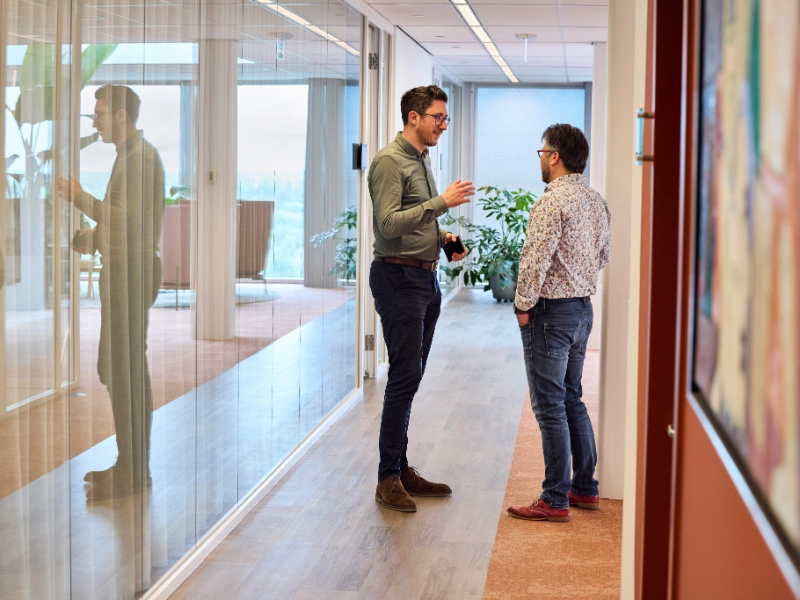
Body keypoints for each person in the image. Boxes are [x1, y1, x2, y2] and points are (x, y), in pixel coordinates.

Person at [368, 85, 474, 512]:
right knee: (404, 377)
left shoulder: (420, 159)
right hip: (397, 280)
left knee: (410, 376)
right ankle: (387, 478)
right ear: (414, 117)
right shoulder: (389, 161)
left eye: (445, 118)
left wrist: (442, 236)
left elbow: (415, 221)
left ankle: (401, 466)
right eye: (437, 118)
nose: (442, 126)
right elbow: (388, 224)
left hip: (424, 281)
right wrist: (441, 203)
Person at [57, 84, 164, 500]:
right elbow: (124, 223)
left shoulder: (139, 158)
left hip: (131, 273)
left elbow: (127, 222)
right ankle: (130, 467)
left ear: (121, 116)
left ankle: (135, 472)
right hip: (125, 270)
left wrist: (79, 198)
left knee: (126, 372)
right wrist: (94, 237)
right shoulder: (131, 156)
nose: (95, 121)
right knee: (119, 369)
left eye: (99, 114)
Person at [507, 123, 611, 522]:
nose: (541, 158)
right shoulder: (596, 201)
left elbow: (534, 261)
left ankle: (554, 498)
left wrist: (522, 306)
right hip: (583, 309)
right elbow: (603, 255)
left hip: (550, 314)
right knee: (571, 397)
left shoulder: (551, 203)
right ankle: (584, 488)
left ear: (554, 156)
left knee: (549, 405)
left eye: (542, 152)